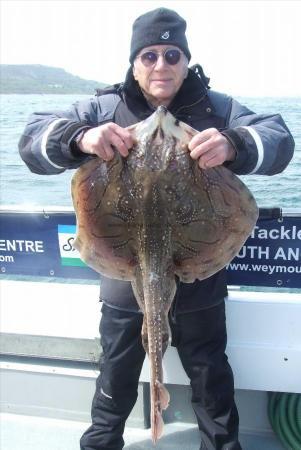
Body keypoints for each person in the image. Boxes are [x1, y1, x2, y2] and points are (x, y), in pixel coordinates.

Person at [19, 7, 294, 450]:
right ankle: (101, 443)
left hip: (199, 271)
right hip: (123, 271)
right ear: (134, 63)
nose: (161, 65)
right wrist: (81, 138)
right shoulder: (103, 108)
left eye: (172, 54)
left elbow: (279, 140)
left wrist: (234, 143)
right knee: (116, 367)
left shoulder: (218, 109)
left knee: (209, 371)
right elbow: (31, 139)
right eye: (149, 55)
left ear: (186, 61)